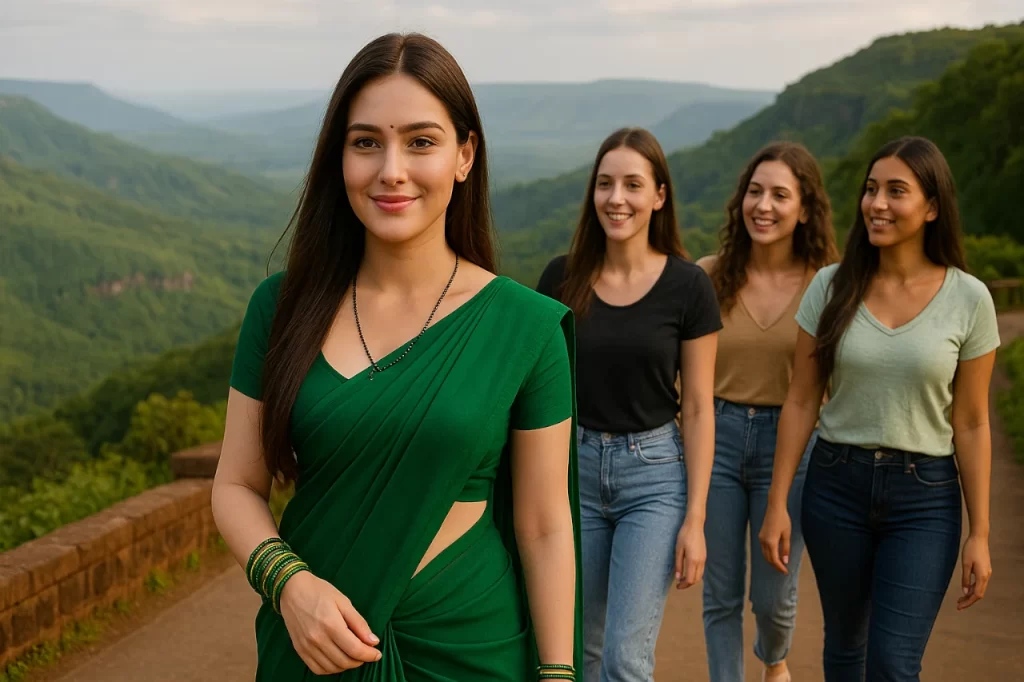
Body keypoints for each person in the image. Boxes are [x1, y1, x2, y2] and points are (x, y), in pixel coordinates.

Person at [211, 33, 583, 682]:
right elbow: (236, 483)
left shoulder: (525, 328)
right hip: (314, 648)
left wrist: (558, 676)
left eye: (420, 141)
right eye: (365, 143)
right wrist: (290, 587)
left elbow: (546, 526)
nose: (391, 169)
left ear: (465, 155)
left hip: (471, 646)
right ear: (338, 158)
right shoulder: (280, 309)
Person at [759, 136, 999, 682]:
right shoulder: (831, 286)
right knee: (845, 650)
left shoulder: (970, 299)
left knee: (893, 663)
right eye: (871, 190)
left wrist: (979, 531)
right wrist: (778, 500)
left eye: (897, 191)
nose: (877, 204)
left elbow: (972, 421)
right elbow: (800, 398)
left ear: (932, 207)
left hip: (925, 498)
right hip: (835, 488)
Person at [536, 127, 720, 682]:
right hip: (576, 473)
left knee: (625, 658)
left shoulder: (689, 288)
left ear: (659, 196)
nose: (617, 198)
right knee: (578, 649)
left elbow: (699, 409)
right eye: (605, 184)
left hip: (656, 478)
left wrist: (696, 519)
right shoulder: (560, 278)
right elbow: (537, 392)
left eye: (633, 185)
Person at [697, 141, 838, 682]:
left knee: (774, 598)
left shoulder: (826, 283)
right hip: (719, 433)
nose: (764, 205)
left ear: (805, 208)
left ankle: (774, 660)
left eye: (781, 194)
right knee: (721, 593)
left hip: (795, 443)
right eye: (755, 191)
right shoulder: (708, 276)